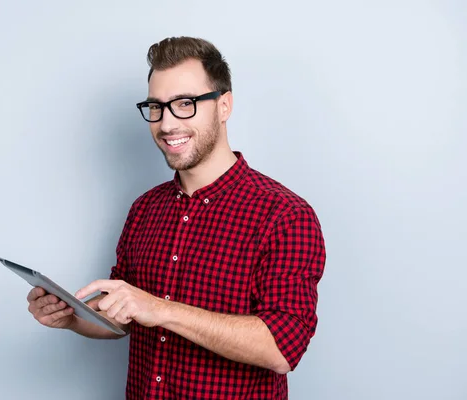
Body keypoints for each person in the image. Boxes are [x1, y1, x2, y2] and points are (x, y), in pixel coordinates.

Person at [26, 36, 326, 400]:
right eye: (156, 107)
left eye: (185, 104)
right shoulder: (145, 209)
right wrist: (72, 318)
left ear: (224, 105)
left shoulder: (285, 216)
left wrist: (160, 309)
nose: (167, 124)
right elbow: (122, 317)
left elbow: (282, 349)